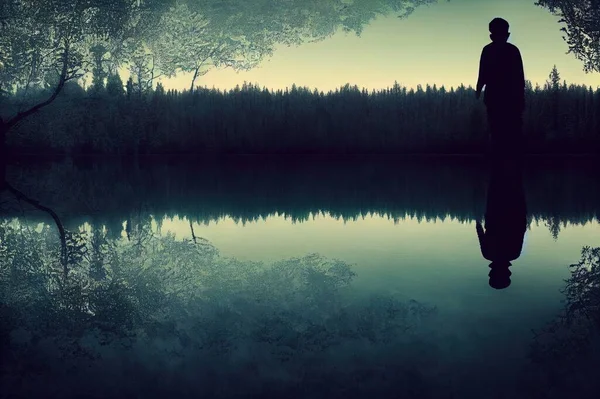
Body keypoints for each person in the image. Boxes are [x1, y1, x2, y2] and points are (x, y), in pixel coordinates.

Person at [476, 18, 525, 155]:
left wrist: (479, 89)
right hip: (509, 99)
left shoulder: (488, 50)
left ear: (491, 35)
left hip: (498, 98)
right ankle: (510, 160)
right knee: (509, 130)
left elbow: (482, 74)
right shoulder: (513, 51)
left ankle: (502, 159)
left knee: (498, 130)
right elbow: (520, 78)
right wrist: (521, 98)